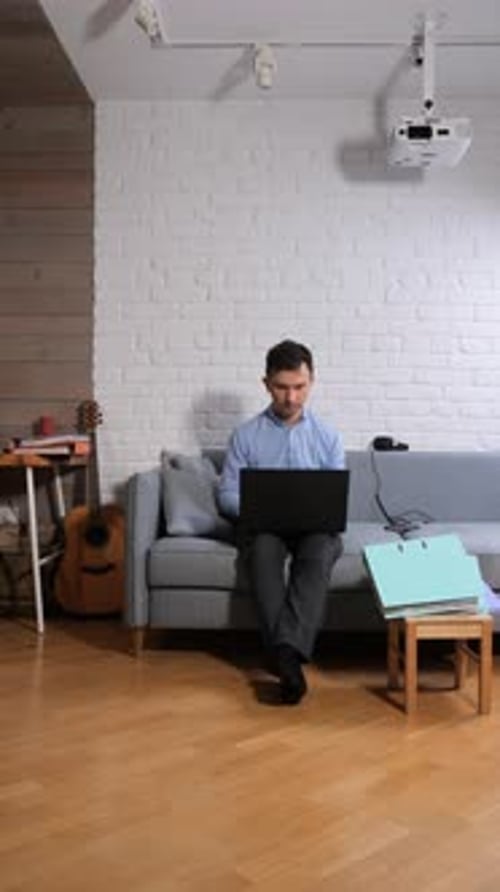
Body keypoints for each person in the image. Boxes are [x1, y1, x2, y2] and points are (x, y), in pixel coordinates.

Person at [218, 339, 345, 705]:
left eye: (299, 387)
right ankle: (289, 657)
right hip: (264, 528)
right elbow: (226, 495)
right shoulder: (245, 435)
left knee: (320, 552)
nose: (291, 397)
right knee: (261, 551)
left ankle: (282, 653)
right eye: (281, 387)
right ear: (266, 384)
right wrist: (257, 508)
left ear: (311, 382)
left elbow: (335, 496)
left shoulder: (328, 437)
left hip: (314, 529)